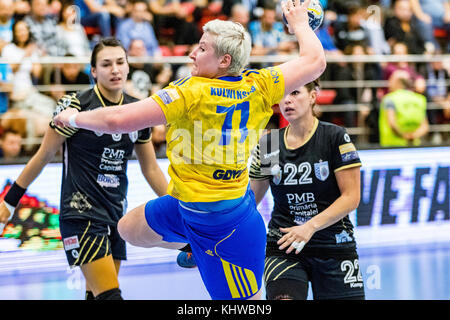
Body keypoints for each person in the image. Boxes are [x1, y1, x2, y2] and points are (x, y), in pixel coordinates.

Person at [53, 0, 326, 300]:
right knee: (127, 229)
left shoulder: (190, 93)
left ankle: (200, 247)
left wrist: (73, 118)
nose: (192, 53)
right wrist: (300, 24)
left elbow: (117, 120)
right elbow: (315, 61)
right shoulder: (260, 84)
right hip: (189, 207)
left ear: (223, 61)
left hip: (227, 227)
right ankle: (192, 245)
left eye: (203, 49)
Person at [0, 37, 169, 300]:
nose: (114, 69)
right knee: (110, 295)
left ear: (128, 66)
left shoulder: (138, 109)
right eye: (106, 64)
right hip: (81, 213)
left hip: (116, 214)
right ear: (93, 71)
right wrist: (10, 202)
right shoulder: (76, 108)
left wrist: (182, 206)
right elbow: (43, 155)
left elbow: (151, 170)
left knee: (96, 295)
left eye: (119, 62)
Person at [249, 80, 365, 300]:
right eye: (282, 95)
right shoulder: (269, 144)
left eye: (295, 93)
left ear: (313, 96)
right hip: (284, 245)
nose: (287, 100)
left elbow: (351, 197)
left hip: (334, 244)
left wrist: (309, 227)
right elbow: (250, 200)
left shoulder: (335, 137)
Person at [379, 69, 429, 146]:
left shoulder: (389, 99)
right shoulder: (420, 99)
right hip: (413, 146)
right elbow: (425, 126)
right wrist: (412, 136)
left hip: (391, 147)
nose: (389, 83)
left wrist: (404, 136)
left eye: (391, 80)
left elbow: (392, 123)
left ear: (398, 82)